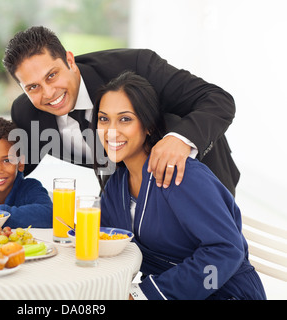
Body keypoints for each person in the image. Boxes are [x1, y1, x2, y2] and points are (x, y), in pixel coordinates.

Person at [0, 25, 239, 203]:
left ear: (70, 61)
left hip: (201, 182)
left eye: (52, 76)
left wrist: (179, 139)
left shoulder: (136, 67)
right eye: (32, 86)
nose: (48, 94)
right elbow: (10, 166)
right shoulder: (29, 113)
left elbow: (217, 99)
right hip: (125, 199)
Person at [93, 71, 265, 300]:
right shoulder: (116, 186)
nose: (111, 131)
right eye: (104, 119)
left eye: (125, 119)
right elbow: (98, 238)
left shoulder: (182, 176)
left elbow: (226, 250)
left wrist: (148, 295)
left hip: (223, 292)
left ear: (149, 126)